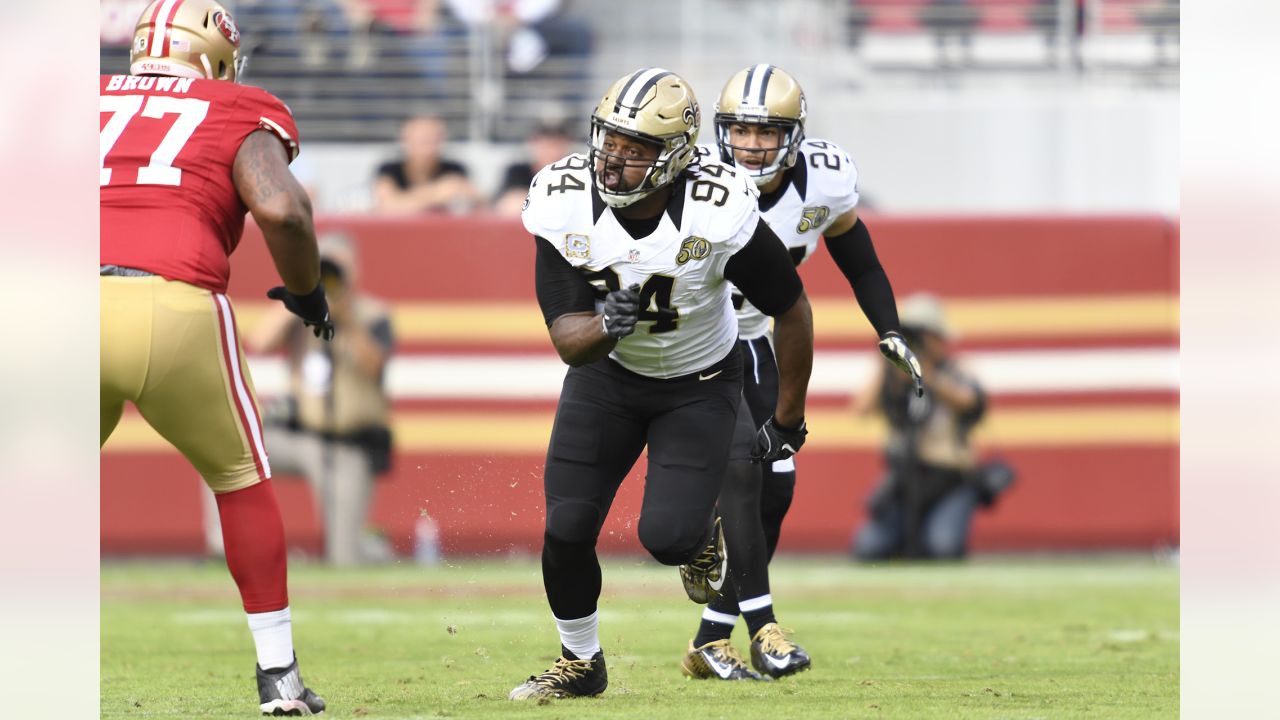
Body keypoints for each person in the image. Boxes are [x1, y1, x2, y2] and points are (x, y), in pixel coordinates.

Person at [508, 67, 815, 700]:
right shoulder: (561, 196)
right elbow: (569, 339)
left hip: (699, 381)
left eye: (636, 147)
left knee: (669, 541)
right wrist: (607, 327)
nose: (614, 159)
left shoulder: (717, 204)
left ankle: (705, 536)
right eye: (610, 140)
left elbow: (791, 305)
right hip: (606, 379)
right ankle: (580, 661)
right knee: (565, 528)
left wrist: (787, 417)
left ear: (674, 155)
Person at [99, 1, 329, 714]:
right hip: (172, 303)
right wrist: (306, 294)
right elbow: (283, 210)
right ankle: (278, 677)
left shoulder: (85, 100)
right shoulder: (238, 105)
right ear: (214, 55)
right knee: (240, 478)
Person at [678, 64, 924, 682]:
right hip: (696, 345)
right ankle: (763, 628)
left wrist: (888, 328)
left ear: (795, 134)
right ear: (719, 131)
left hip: (762, 341)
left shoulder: (826, 182)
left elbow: (858, 258)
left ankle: (712, 636)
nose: (753, 144)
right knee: (741, 469)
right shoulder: (694, 180)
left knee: (775, 488)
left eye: (768, 132)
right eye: (741, 130)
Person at [249, 234, 395, 566]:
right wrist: (302, 295)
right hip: (302, 437)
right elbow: (259, 341)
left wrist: (344, 315)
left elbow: (375, 365)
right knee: (227, 446)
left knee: (344, 558)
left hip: (349, 445)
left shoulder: (374, 314)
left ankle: (375, 550)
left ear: (354, 271)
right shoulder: (300, 312)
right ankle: (221, 547)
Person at [851, 293, 1009, 560]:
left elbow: (970, 401)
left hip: (950, 480)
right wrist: (887, 358)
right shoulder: (892, 376)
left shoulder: (958, 371)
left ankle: (930, 533)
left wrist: (925, 372)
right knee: (869, 549)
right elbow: (861, 409)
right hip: (904, 481)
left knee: (943, 549)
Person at [373, 114, 483, 214]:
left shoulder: (456, 169)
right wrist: (437, 193)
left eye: (433, 137)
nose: (428, 143)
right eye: (422, 138)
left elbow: (478, 202)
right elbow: (387, 205)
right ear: (405, 138)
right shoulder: (389, 169)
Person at [492, 120, 575, 216]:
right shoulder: (518, 172)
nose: (551, 151)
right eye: (546, 144)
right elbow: (504, 205)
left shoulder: (576, 175)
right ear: (534, 144)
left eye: (556, 144)